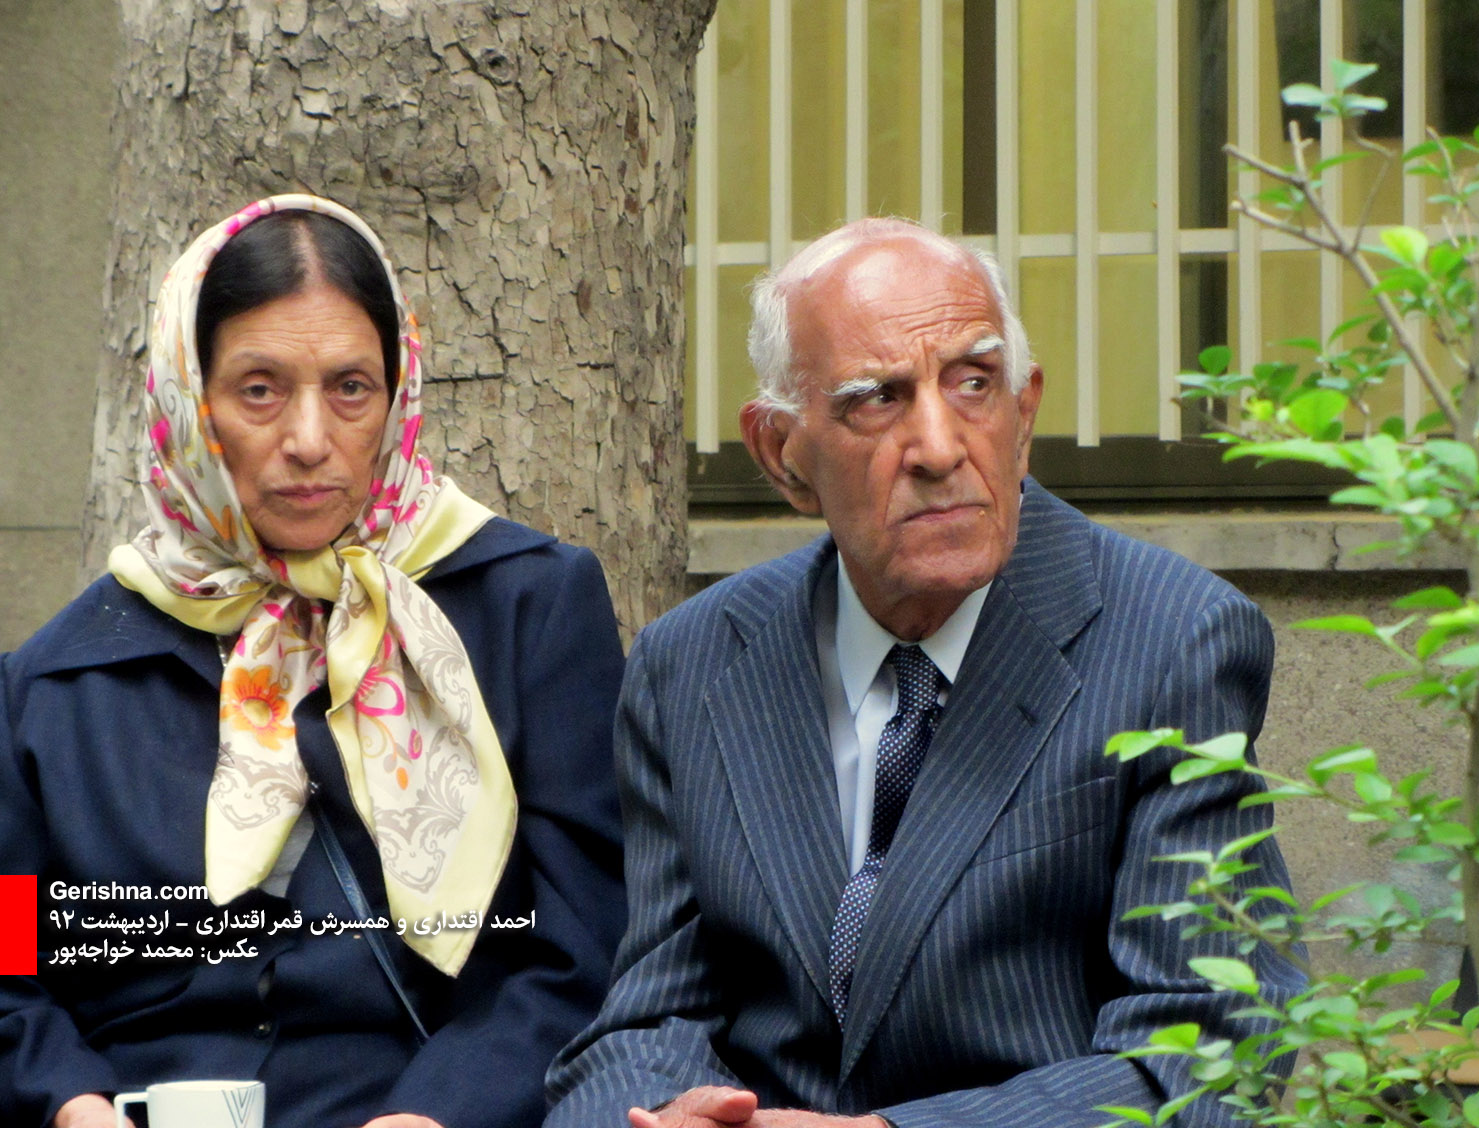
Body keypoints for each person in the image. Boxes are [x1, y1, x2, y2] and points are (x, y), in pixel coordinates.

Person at [544, 219, 1305, 1128]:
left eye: (973, 383)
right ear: (782, 453)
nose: (940, 448)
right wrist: (666, 1115)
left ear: (1024, 413)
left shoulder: (1173, 640)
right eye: (878, 399)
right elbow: (649, 1015)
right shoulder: (692, 663)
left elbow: (1210, 1053)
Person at [0, 194, 627, 1128]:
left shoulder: (524, 610)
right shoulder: (60, 682)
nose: (308, 439)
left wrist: (437, 1116)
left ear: (397, 397)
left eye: (350, 388)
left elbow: (590, 942)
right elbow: (9, 959)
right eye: (259, 389)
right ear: (189, 402)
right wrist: (70, 1104)